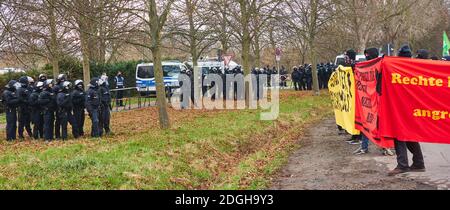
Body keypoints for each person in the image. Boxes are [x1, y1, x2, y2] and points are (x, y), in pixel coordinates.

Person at [389, 44, 426, 176]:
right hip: (413, 107)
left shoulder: (397, 67)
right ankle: (418, 162)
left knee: (399, 135)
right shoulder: (416, 67)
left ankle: (403, 165)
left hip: (401, 107)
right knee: (410, 135)